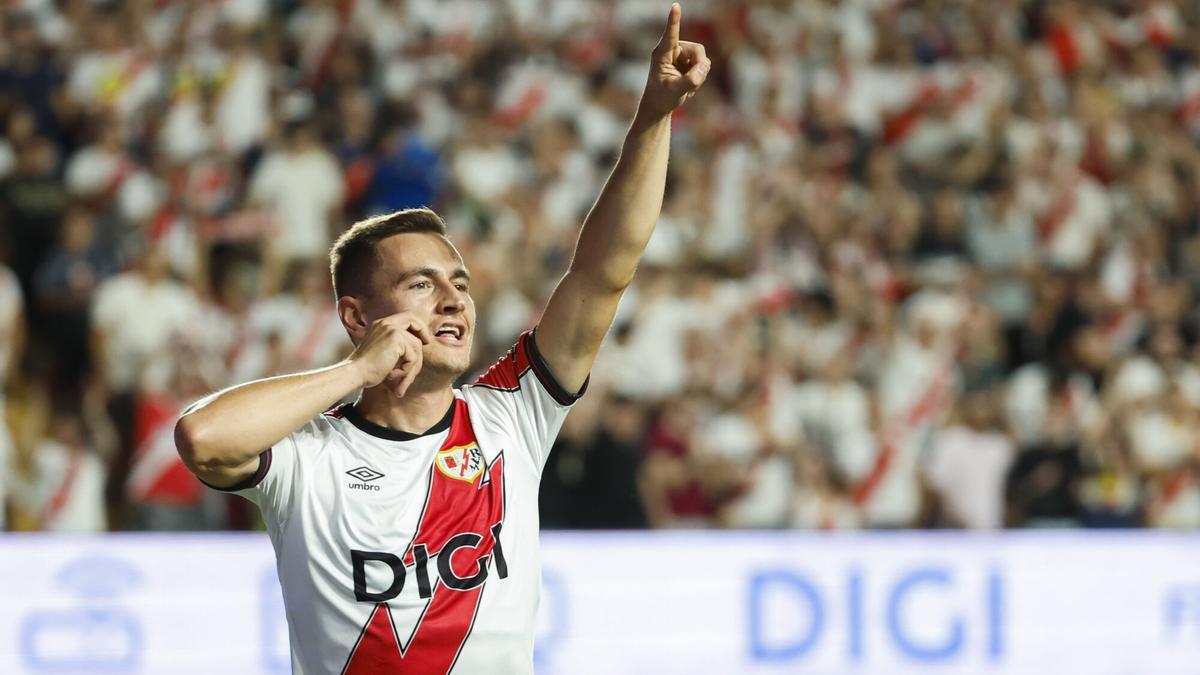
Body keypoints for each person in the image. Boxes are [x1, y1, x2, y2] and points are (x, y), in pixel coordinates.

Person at [174, 5, 709, 674]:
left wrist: (654, 117)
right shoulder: (310, 456)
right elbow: (202, 436)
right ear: (356, 315)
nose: (456, 298)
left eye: (458, 281)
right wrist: (353, 372)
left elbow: (604, 271)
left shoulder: (512, 411)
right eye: (422, 285)